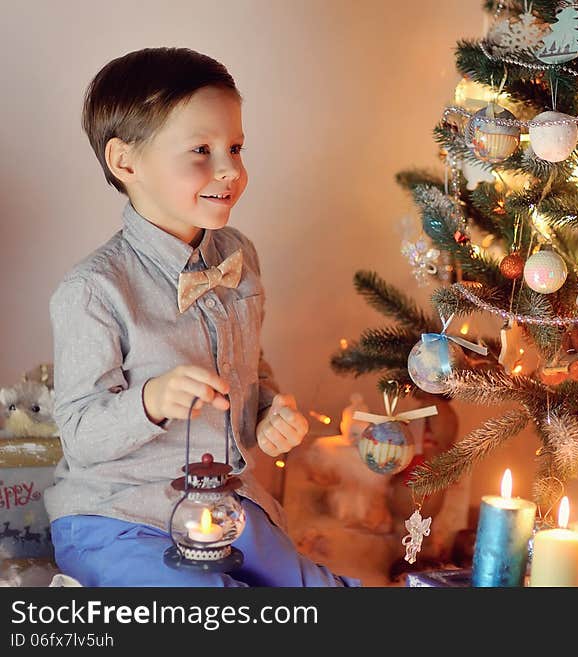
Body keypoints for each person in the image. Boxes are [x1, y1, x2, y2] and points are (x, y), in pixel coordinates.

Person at [45, 47, 358, 587]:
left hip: (222, 510)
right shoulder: (93, 290)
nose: (230, 169)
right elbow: (79, 434)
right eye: (201, 150)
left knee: (319, 590)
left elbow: (250, 370)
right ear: (126, 163)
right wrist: (150, 401)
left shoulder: (237, 256)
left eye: (235, 147)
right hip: (118, 517)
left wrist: (266, 414)